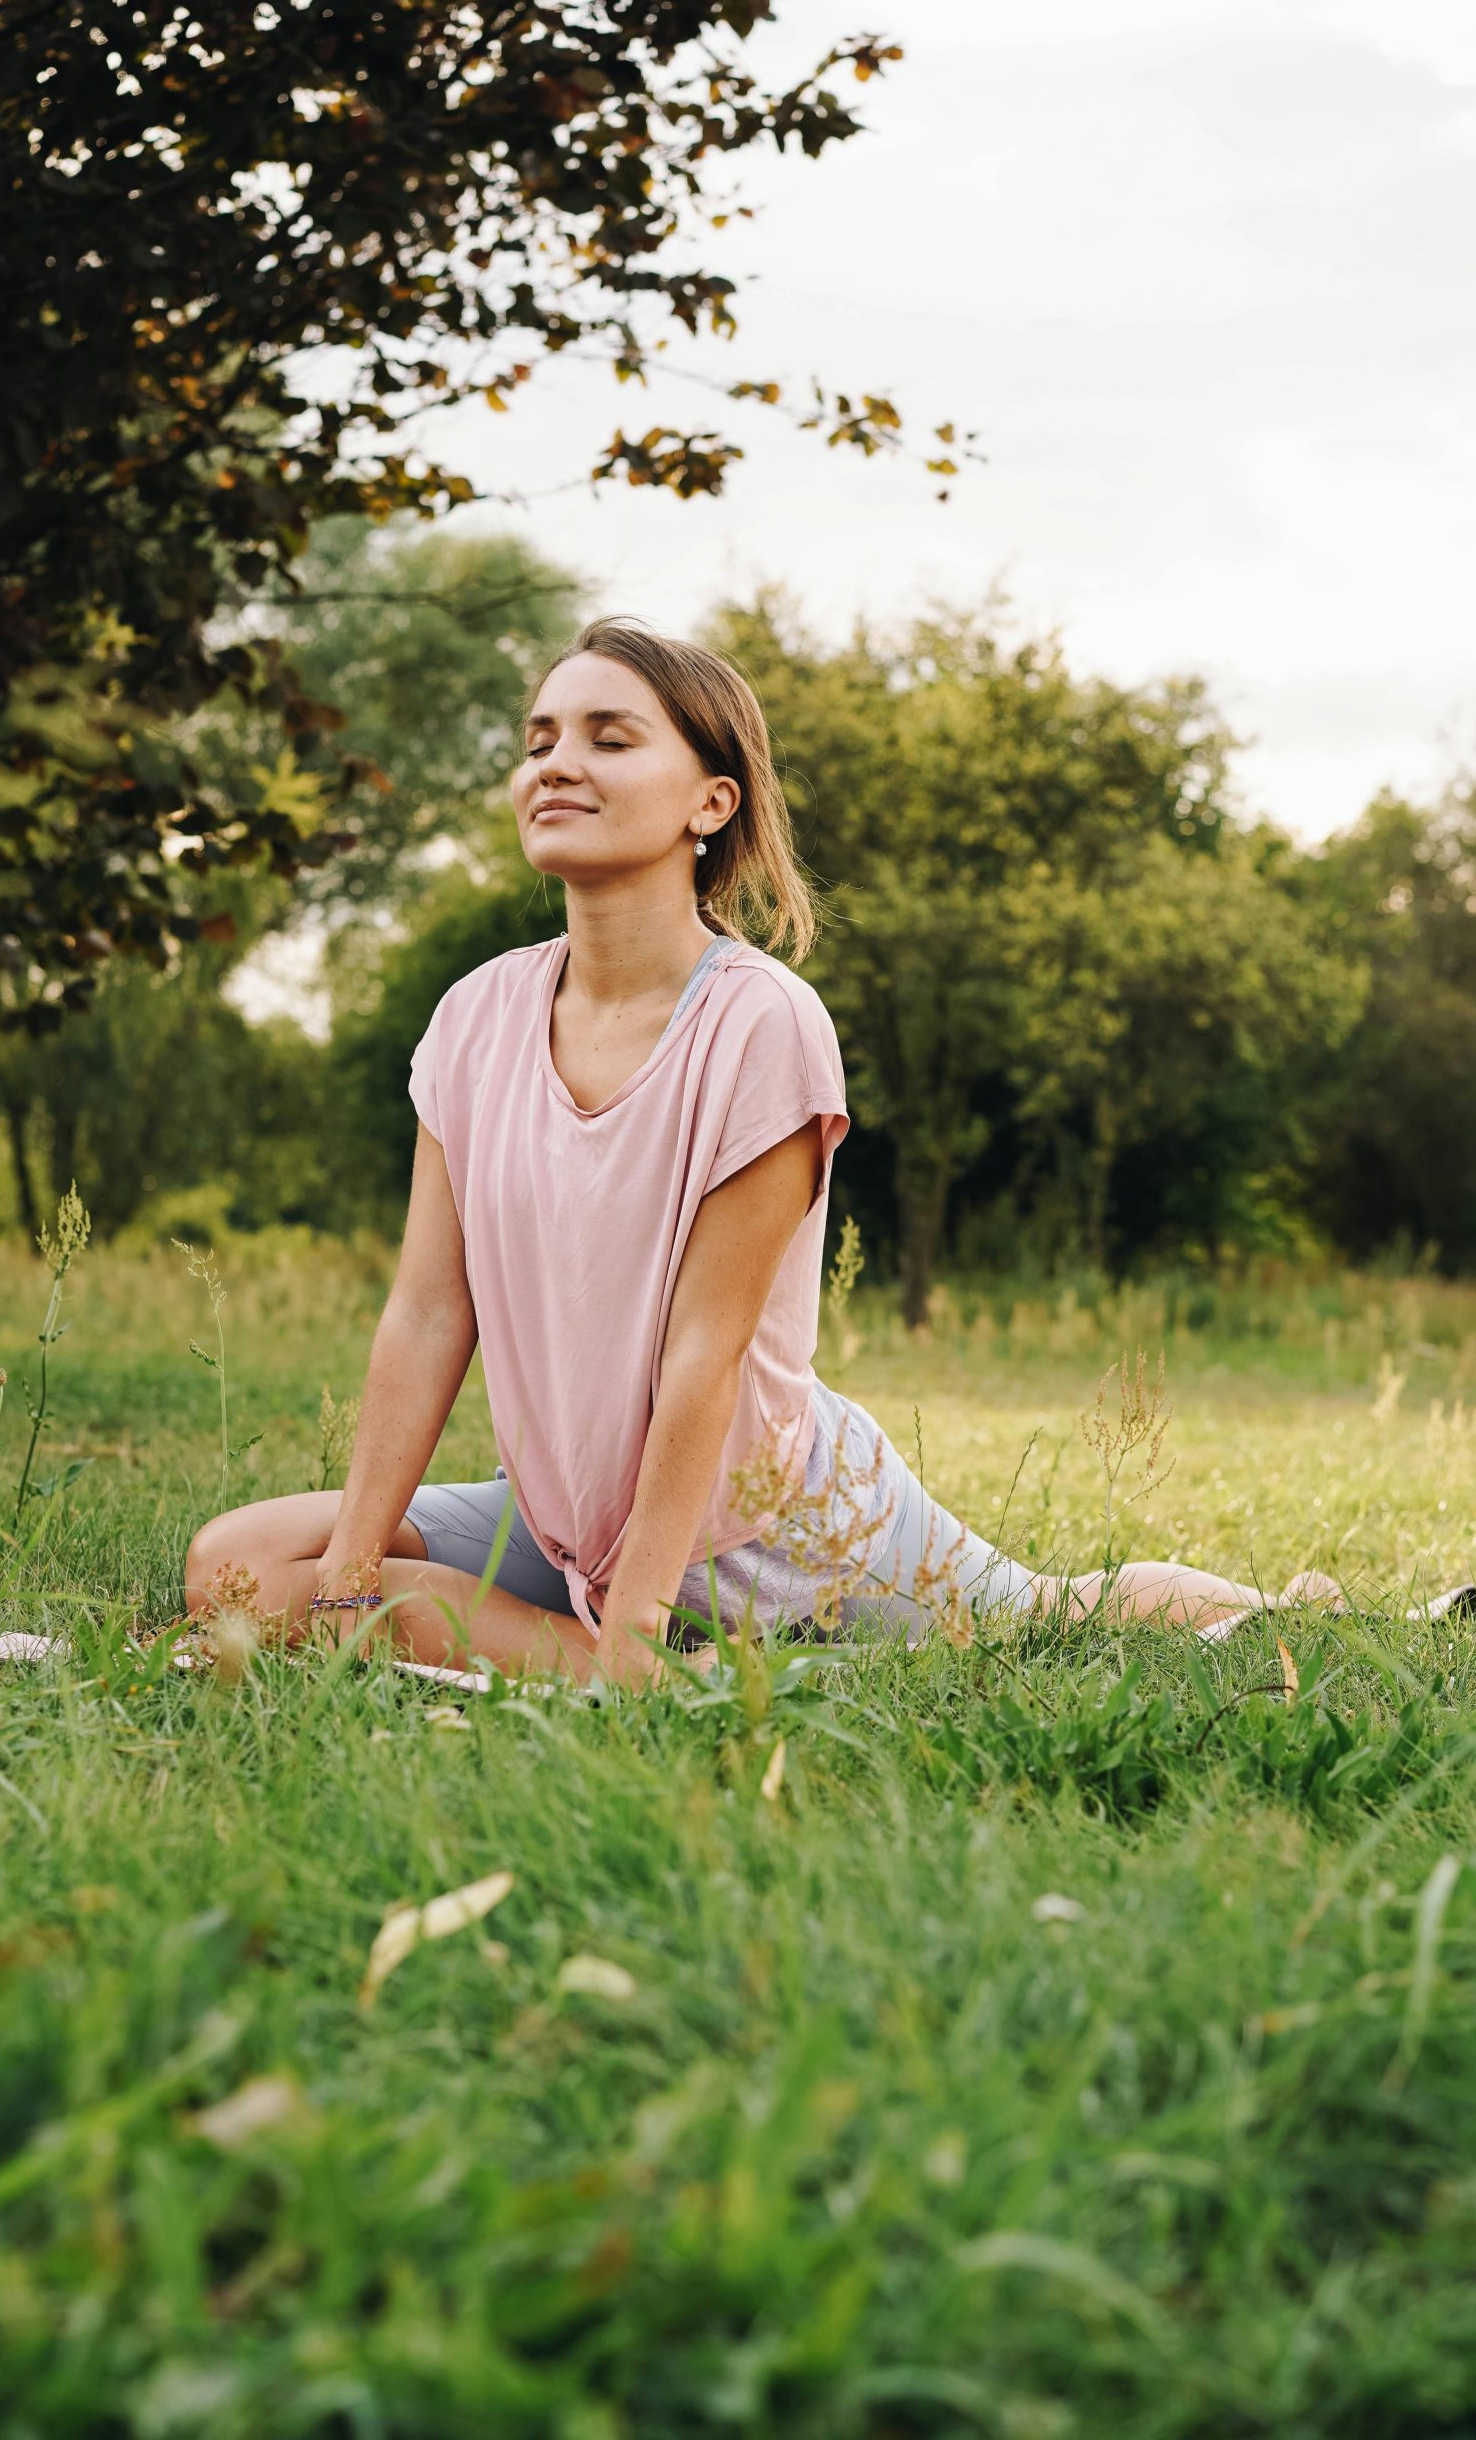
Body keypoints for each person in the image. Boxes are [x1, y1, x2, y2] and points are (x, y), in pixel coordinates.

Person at [185, 619, 1333, 1689]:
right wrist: (338, 1577)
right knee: (234, 1568)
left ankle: (1289, 1606)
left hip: (771, 1531)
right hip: (567, 1518)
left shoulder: (762, 1024)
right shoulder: (475, 1017)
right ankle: (591, 1643)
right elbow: (429, 1314)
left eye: (609, 737)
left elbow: (706, 1355)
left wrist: (628, 1620)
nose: (554, 763)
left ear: (711, 800)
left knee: (1052, 1613)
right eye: (538, 741)